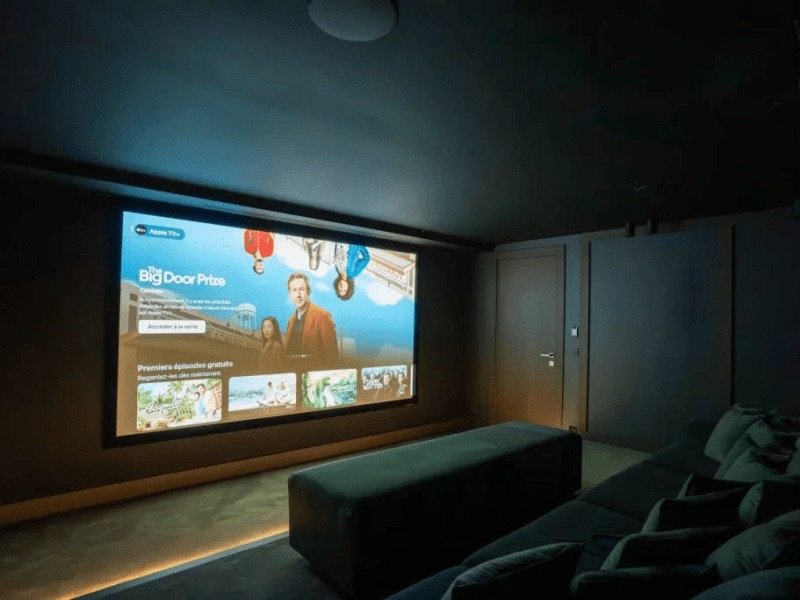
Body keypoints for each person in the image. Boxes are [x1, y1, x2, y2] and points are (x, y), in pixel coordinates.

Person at [284, 272, 339, 367]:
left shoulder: (322, 316)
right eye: (294, 290)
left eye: (301, 289)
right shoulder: (290, 321)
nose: (298, 294)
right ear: (290, 294)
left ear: (308, 291)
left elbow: (333, 357)